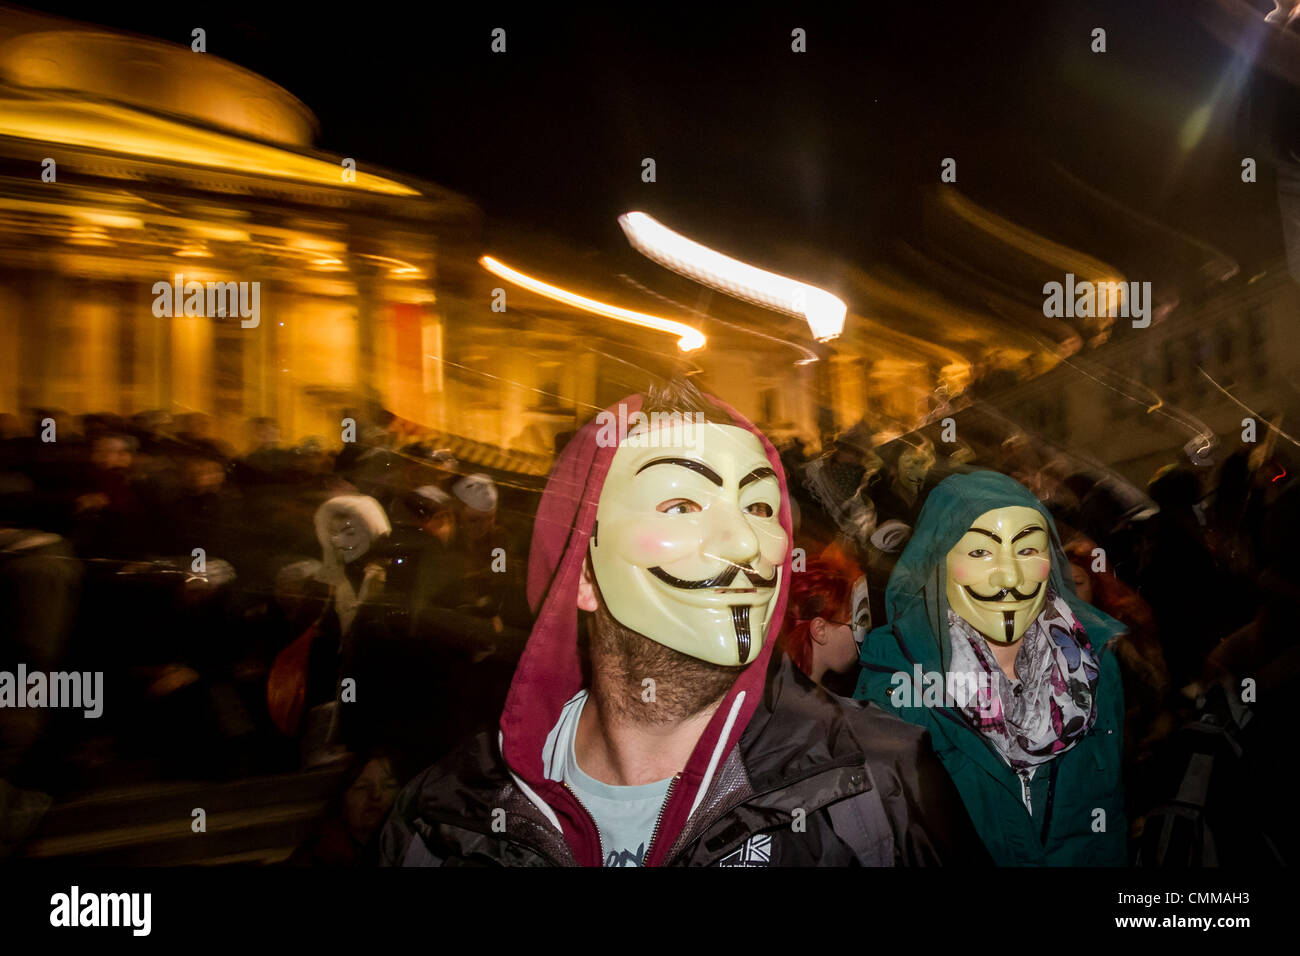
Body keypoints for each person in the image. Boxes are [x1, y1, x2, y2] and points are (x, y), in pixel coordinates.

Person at [380, 381, 987, 867]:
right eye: (681, 504)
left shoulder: (880, 786)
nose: (747, 541)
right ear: (582, 576)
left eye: (758, 506)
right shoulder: (443, 819)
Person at [855, 470, 1128, 865]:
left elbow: (1108, 822)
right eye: (981, 552)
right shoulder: (896, 686)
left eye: (1028, 550)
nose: (1010, 577)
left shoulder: (1095, 665)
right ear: (938, 561)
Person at [780, 549, 870, 695]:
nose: (865, 636)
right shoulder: (817, 712)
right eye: (857, 623)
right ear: (820, 630)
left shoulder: (774, 690)